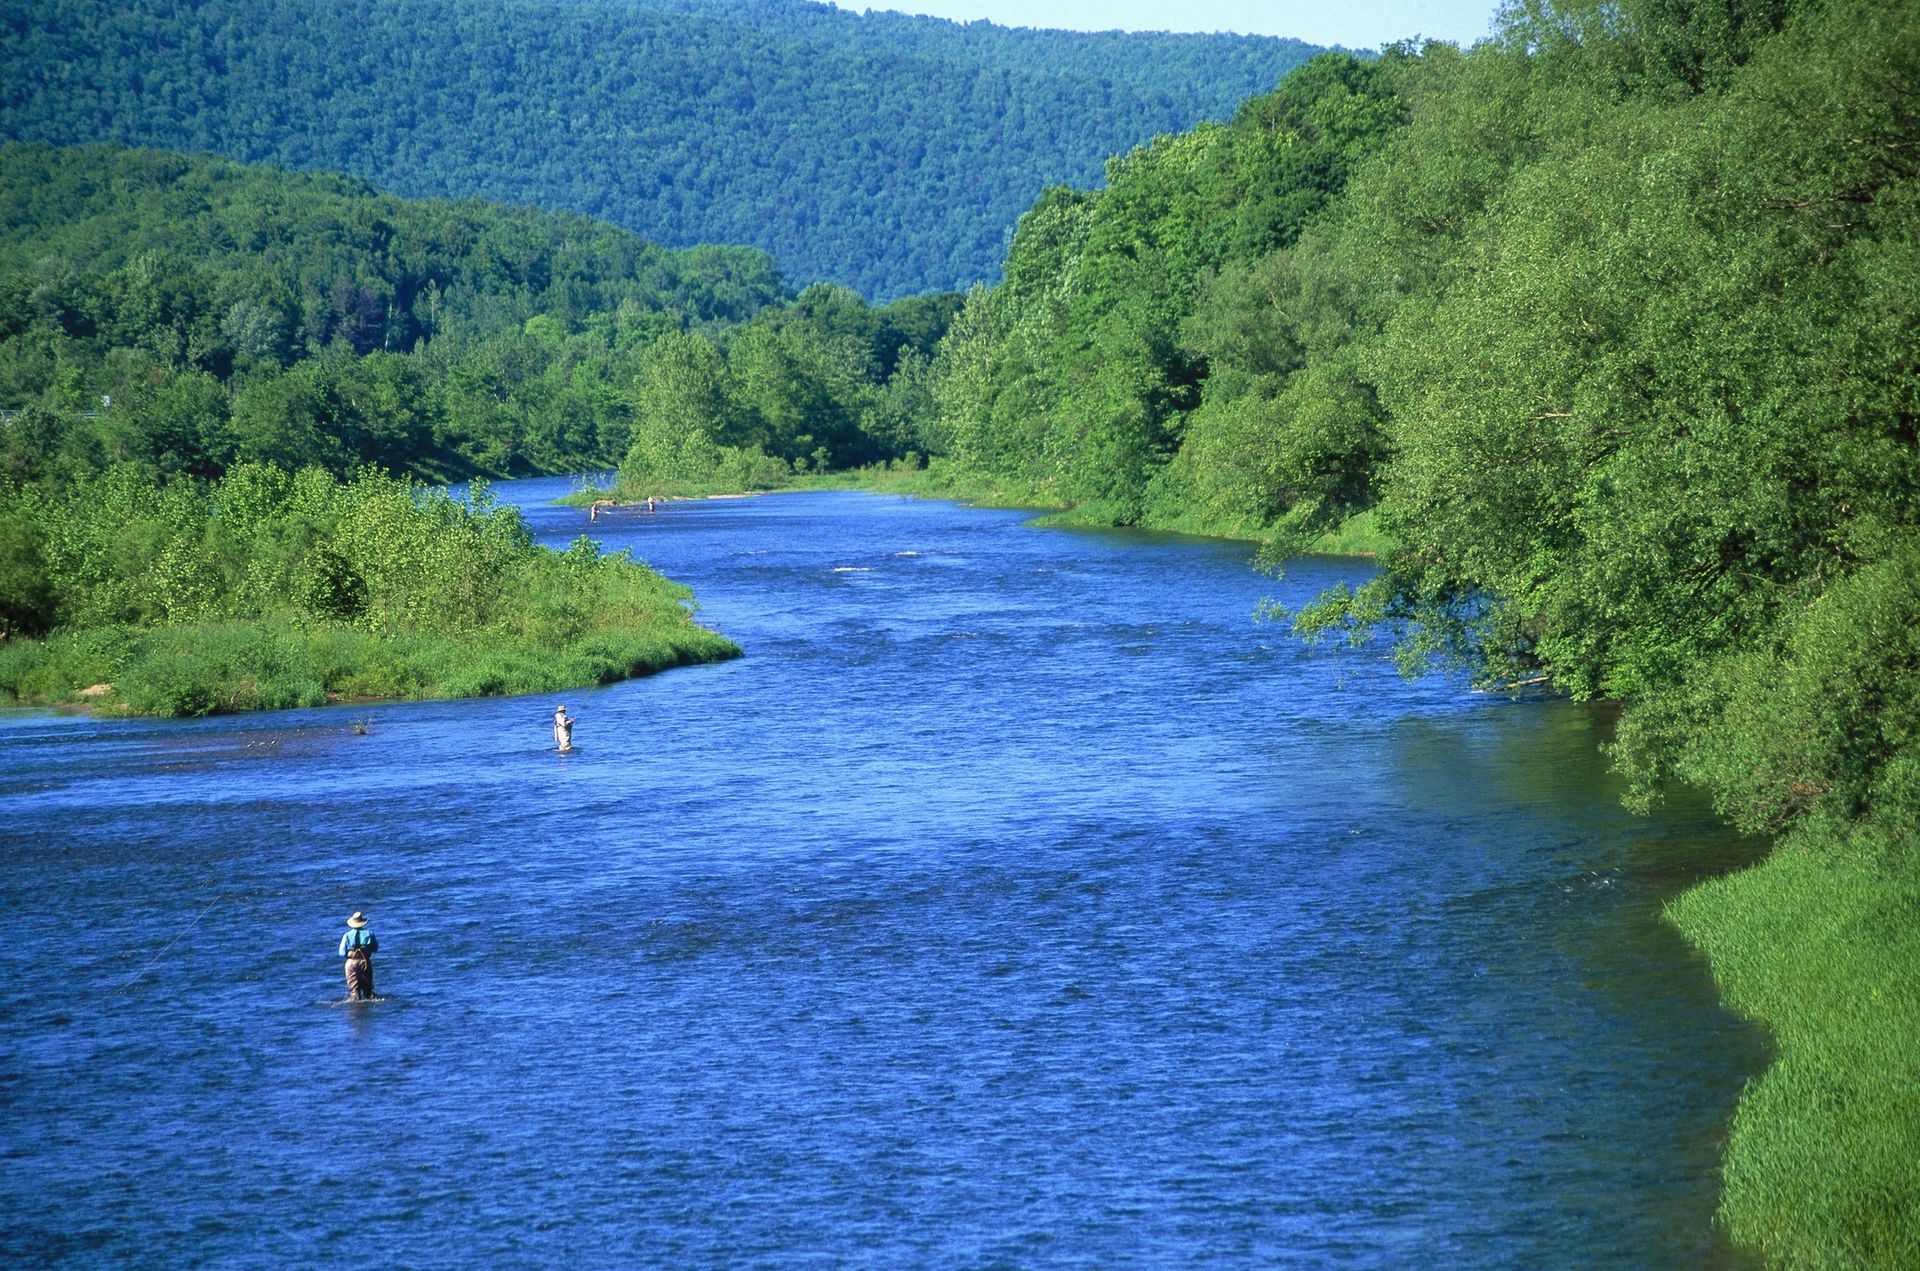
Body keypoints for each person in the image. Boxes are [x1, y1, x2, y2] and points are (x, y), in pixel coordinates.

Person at [338, 911, 378, 1000]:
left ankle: (355, 1002)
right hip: (365, 962)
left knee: (354, 989)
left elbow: (342, 953)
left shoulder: (347, 935)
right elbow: (375, 948)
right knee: (368, 989)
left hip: (351, 963)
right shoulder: (370, 933)